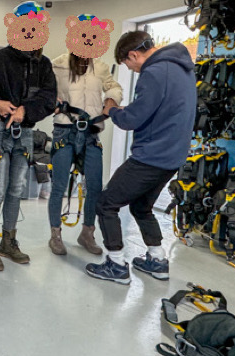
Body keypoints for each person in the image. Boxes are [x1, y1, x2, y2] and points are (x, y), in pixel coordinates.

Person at [84, 30, 196, 285]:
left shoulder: (154, 73)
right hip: (173, 156)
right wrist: (129, 109)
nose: (131, 69)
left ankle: (116, 264)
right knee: (141, 206)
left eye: (128, 64)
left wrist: (113, 112)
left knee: (106, 204)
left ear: (134, 54)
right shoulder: (182, 69)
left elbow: (132, 120)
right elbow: (161, 108)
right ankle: (157, 260)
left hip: (151, 157)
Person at [0, 2, 57, 271]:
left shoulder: (43, 65)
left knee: (16, 190)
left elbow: (48, 98)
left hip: (26, 133)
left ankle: (8, 242)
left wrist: (26, 110)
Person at [48, 18, 123, 256]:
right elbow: (44, 91)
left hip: (90, 133)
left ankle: (87, 233)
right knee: (59, 186)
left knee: (94, 187)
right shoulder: (57, 65)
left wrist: (110, 101)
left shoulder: (100, 67)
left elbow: (114, 86)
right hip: (64, 130)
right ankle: (55, 235)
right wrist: (51, 102)